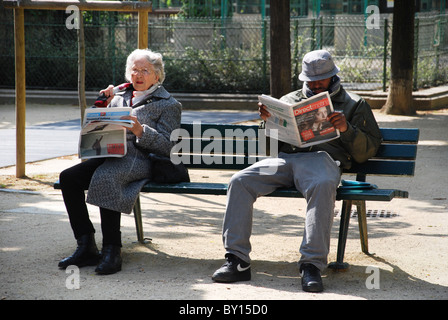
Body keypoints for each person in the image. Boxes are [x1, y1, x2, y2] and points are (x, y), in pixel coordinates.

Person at [211, 50, 382, 292]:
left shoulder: (355, 104)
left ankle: (311, 265)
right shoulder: (289, 100)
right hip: (285, 159)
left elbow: (368, 150)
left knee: (322, 185)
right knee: (240, 180)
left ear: (334, 77)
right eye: (310, 81)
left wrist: (346, 129)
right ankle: (237, 261)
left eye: (320, 80)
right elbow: (268, 149)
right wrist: (268, 123)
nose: (314, 84)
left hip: (323, 160)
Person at [58, 49, 182, 275]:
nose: (139, 75)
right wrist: (101, 106)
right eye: (135, 70)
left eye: (145, 70)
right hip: (110, 153)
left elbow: (168, 146)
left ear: (157, 75)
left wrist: (140, 131)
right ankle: (86, 245)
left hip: (141, 158)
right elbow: (96, 128)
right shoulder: (117, 95)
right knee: (69, 178)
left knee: (108, 177)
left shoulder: (169, 104)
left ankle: (112, 250)